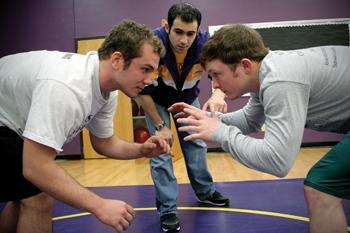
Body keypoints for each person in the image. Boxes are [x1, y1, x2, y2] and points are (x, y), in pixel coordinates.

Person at [169, 24, 350, 233]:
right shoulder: (267, 71)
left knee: (321, 188)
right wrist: (210, 118)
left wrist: (220, 132)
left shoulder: (280, 80)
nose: (215, 85)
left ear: (245, 65)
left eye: (217, 74)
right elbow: (250, 120)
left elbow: (278, 161)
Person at [0, 20, 171, 233]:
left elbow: (104, 142)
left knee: (24, 196)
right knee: (39, 198)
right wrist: (99, 205)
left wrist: (141, 150)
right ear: (117, 60)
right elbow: (36, 167)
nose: (149, 80)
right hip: (3, 120)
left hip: (11, 123)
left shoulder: (107, 92)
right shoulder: (68, 87)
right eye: (145, 69)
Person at [136, 3, 230, 232]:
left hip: (188, 99)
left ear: (198, 31)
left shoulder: (205, 44)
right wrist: (160, 125)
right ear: (166, 26)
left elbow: (224, 68)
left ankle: (206, 192)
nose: (184, 40)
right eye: (178, 32)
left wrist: (218, 92)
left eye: (191, 33)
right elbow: (140, 90)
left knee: (196, 144)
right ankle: (168, 208)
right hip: (156, 101)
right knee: (161, 152)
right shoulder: (151, 45)